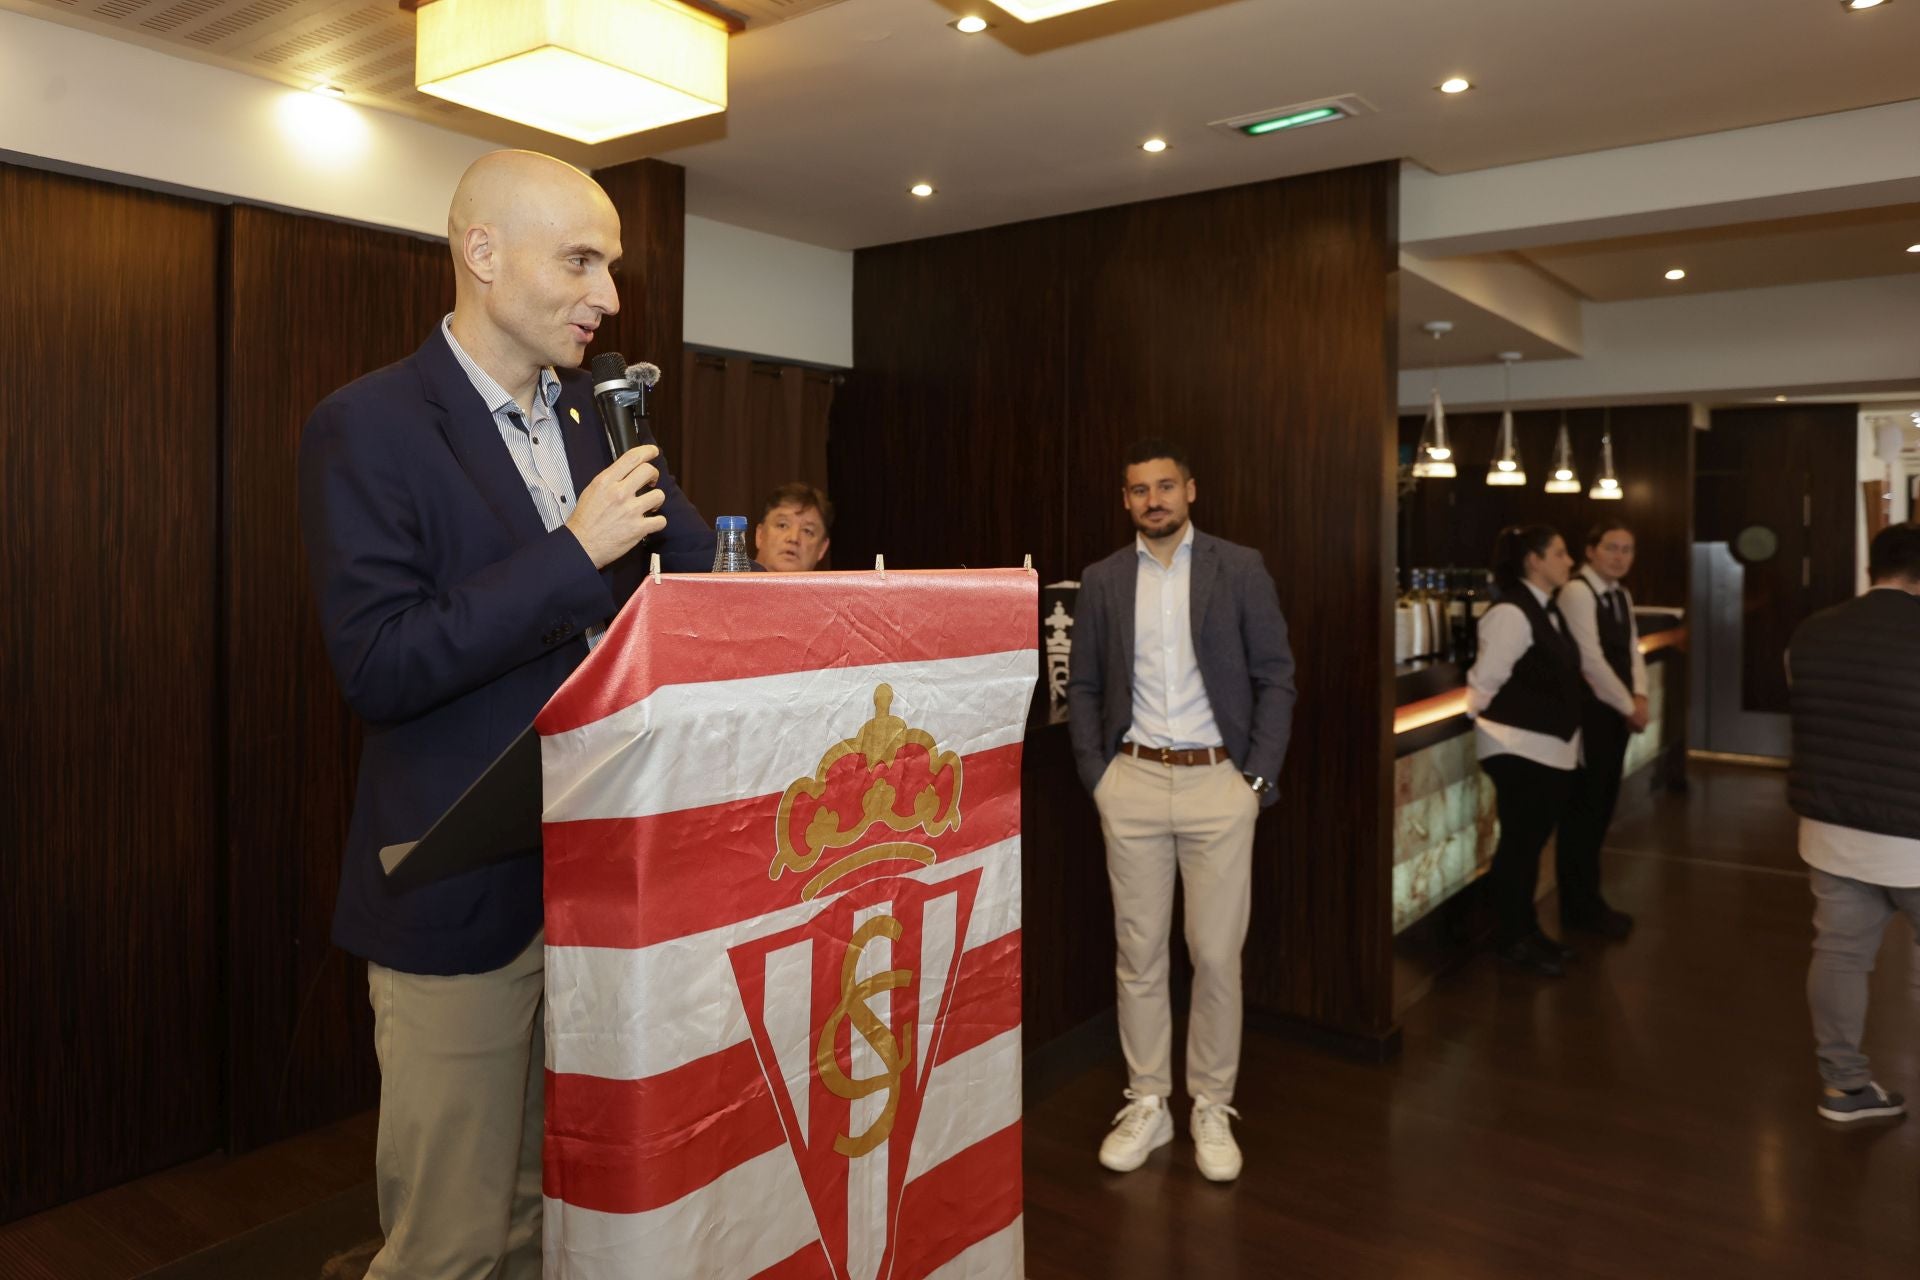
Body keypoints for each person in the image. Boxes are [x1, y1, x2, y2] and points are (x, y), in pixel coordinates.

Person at [298, 150, 714, 1279]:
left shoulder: (596, 416)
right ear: (481, 255)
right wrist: (571, 554)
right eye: (582, 261)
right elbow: (380, 663)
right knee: (451, 1243)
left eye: (614, 267)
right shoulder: (369, 425)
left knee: (541, 1214)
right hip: (456, 894)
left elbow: (694, 587)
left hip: (596, 881)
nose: (611, 298)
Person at [1065, 439, 1295, 1184]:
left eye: (1165, 486)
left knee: (1216, 955)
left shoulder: (1239, 567)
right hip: (1130, 783)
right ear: (1126, 500)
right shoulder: (1102, 580)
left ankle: (1211, 1104)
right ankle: (1149, 1102)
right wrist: (1098, 779)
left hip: (1217, 787)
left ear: (1191, 491)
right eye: (1139, 491)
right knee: (1138, 955)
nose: (1153, 500)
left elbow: (1277, 678)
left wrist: (1254, 781)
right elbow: (1088, 687)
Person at [1788, 521, 1920, 1123]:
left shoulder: (1812, 632)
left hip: (1831, 830)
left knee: (1839, 955)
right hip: (1912, 836)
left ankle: (1845, 1086)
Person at [1466, 525, 1583, 978]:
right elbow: (1485, 681)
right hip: (1517, 749)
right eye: (1560, 552)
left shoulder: (1543, 609)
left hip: (1546, 749)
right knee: (1518, 846)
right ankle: (1511, 938)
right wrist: (1478, 717)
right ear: (1534, 560)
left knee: (1530, 846)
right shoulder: (1512, 613)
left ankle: (1526, 930)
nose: (1568, 561)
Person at [1553, 521, 1650, 941]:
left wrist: (1641, 696)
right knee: (1584, 813)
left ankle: (1591, 902)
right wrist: (1630, 705)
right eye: (1611, 548)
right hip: (1590, 716)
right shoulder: (1578, 592)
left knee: (1602, 809)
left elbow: (1631, 650)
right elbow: (1590, 662)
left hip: (1616, 715)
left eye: (1627, 549)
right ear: (1590, 551)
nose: (1620, 557)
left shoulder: (1621, 595)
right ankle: (1578, 907)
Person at [753, 481, 833, 571]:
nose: (793, 538)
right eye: (782, 525)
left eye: (807, 531)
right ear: (760, 535)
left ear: (822, 548)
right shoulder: (733, 582)